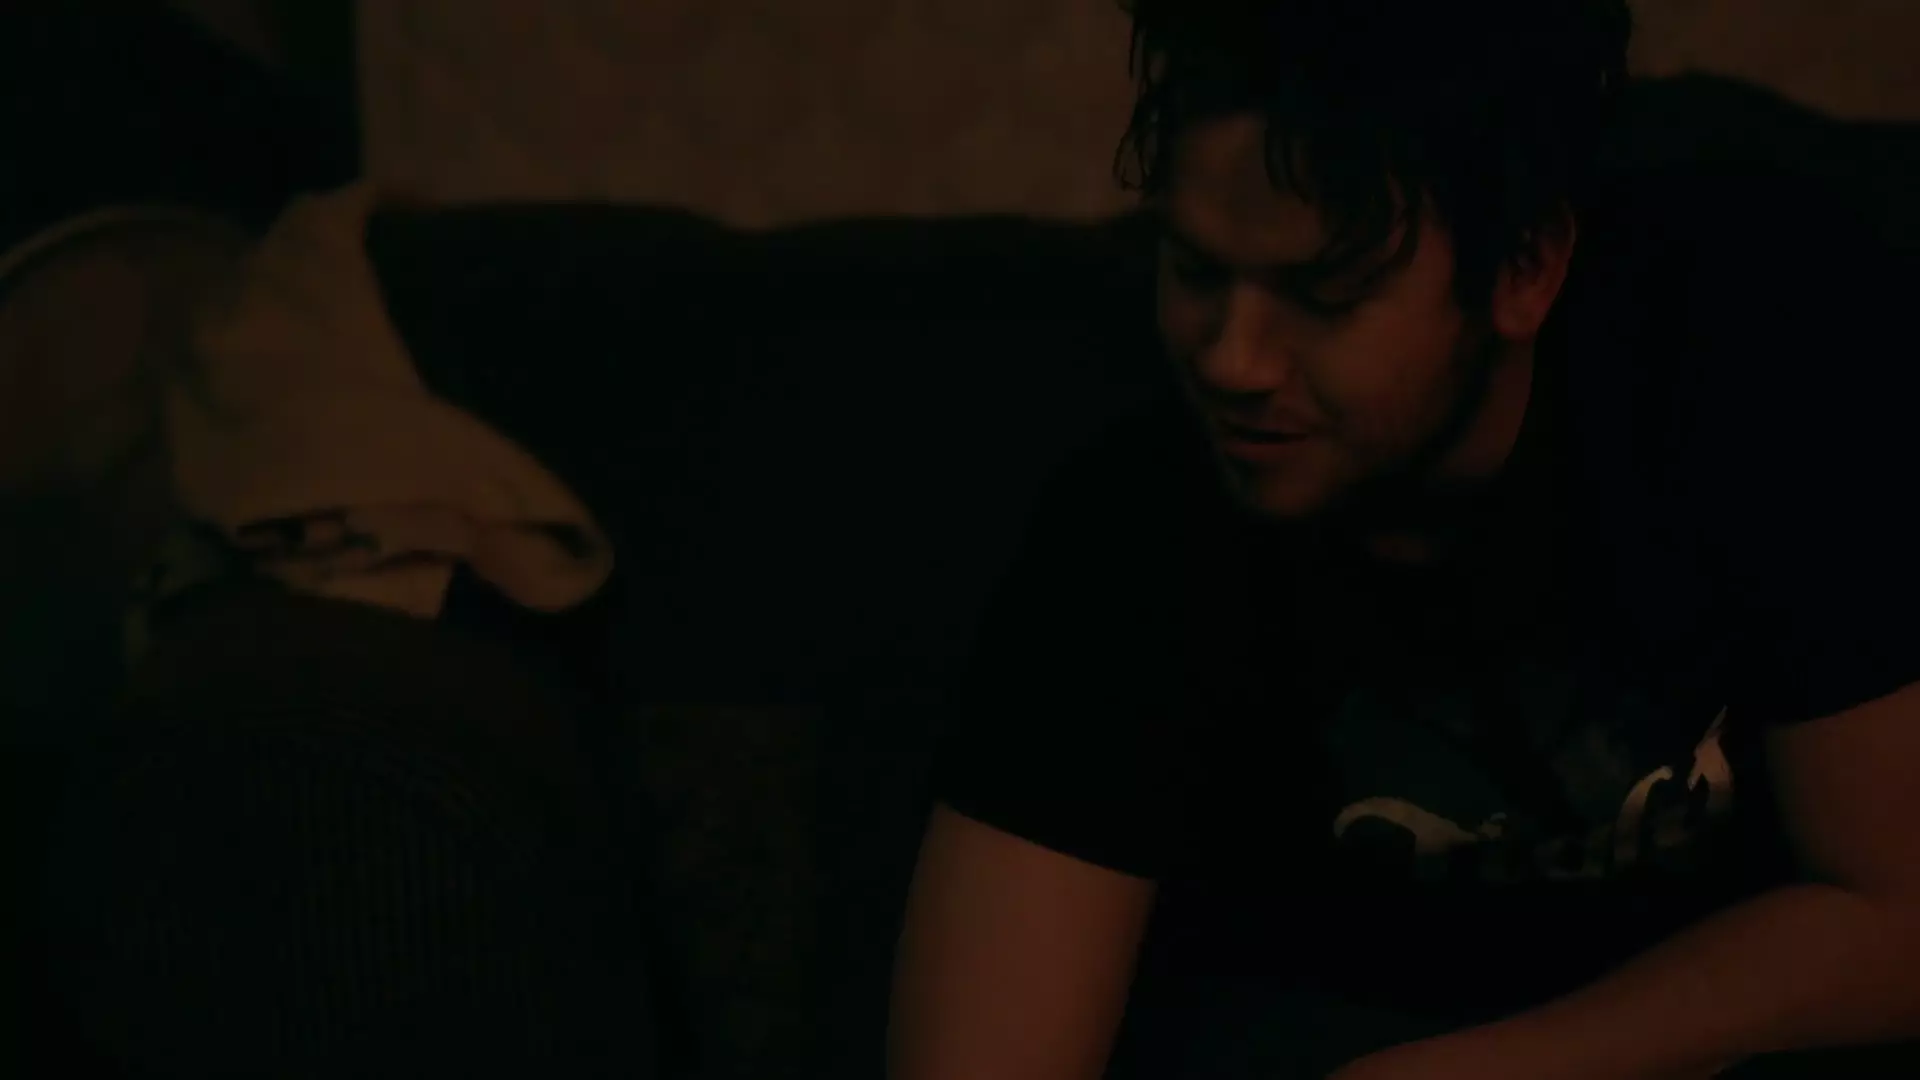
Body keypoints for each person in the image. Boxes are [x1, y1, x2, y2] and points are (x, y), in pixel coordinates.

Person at [889, 1, 1920, 1077]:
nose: (1233, 360)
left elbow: (1901, 921)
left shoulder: (1753, 355)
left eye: (1325, 292)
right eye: (1195, 271)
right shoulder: (1125, 520)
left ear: (1524, 267)